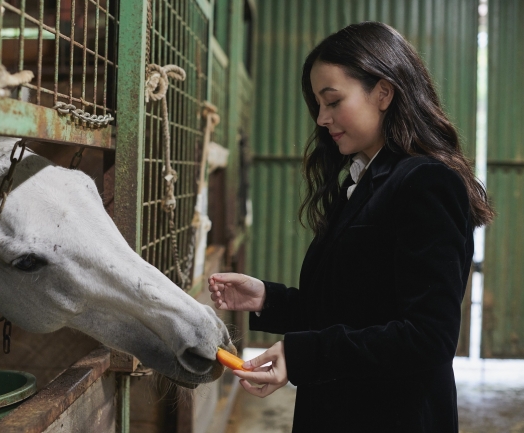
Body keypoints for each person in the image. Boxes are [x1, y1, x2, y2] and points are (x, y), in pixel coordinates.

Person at [208, 21, 494, 432]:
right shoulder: (364, 181)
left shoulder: (426, 183)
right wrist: (268, 298)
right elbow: (354, 309)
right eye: (318, 106)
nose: (322, 118)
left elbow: (428, 339)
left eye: (333, 101)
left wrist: (304, 355)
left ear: (383, 92)